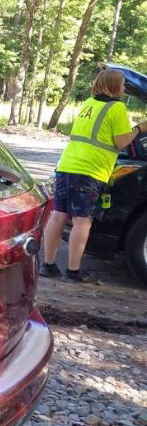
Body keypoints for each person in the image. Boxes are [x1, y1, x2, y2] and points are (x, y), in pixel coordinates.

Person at [41, 68, 147, 281]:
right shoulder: (116, 108)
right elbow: (121, 142)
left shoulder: (87, 105)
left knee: (59, 215)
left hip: (67, 165)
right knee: (83, 221)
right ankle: (73, 271)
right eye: (123, 84)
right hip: (90, 170)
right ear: (114, 85)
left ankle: (48, 265)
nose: (124, 88)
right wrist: (139, 128)